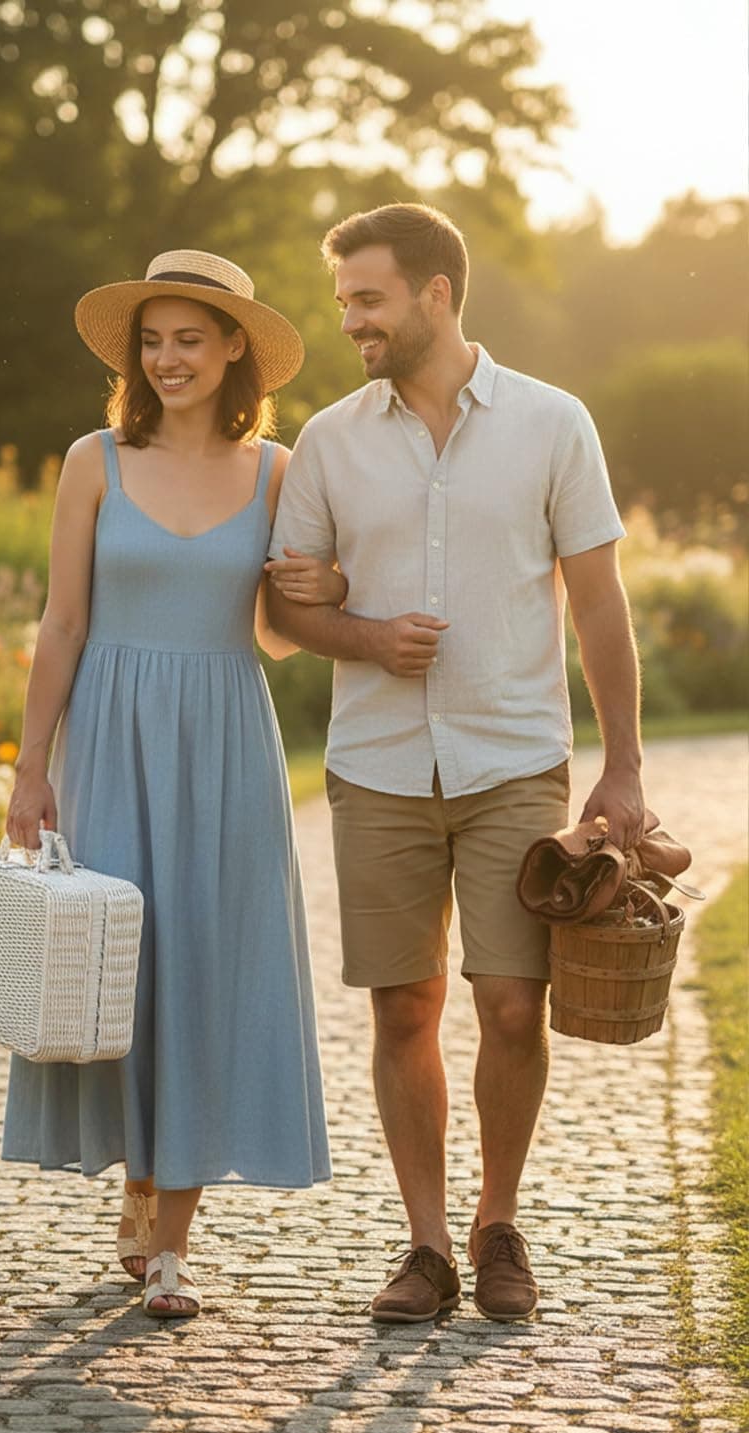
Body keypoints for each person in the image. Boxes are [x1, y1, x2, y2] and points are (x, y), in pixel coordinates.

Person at [265, 204, 644, 1324]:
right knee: (403, 1010)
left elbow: (599, 603)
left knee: (513, 1006)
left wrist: (623, 769)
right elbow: (284, 613)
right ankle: (427, 1247)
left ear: (437, 293)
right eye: (344, 302)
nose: (351, 321)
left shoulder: (552, 423)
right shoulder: (329, 440)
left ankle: (498, 1225)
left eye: (369, 299)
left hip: (512, 761)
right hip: (378, 765)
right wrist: (368, 637)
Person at [2, 250, 337, 1318]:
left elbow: (285, 630)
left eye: (189, 339)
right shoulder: (93, 460)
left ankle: (170, 1249)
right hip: (110, 735)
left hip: (227, 742)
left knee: (202, 966)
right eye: (152, 342)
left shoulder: (278, 472)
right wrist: (30, 768)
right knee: (124, 969)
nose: (168, 359)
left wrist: (327, 585)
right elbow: (63, 622)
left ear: (235, 346)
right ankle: (140, 1193)